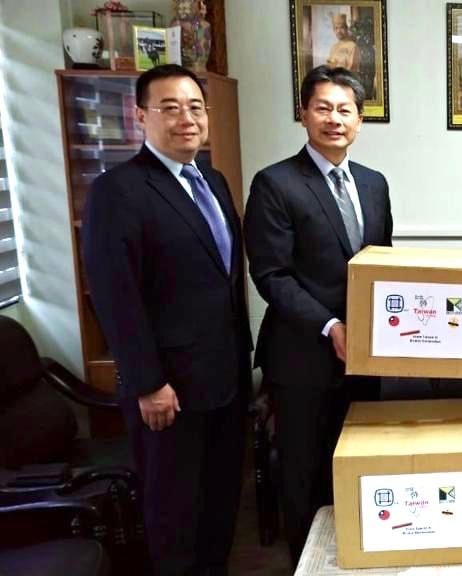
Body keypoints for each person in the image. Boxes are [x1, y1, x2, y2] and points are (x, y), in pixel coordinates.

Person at [82, 64, 251, 575]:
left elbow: (223, 281)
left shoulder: (214, 181)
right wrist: (148, 382)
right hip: (168, 390)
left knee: (221, 505)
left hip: (225, 378)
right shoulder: (117, 190)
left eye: (195, 107)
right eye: (170, 108)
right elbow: (115, 296)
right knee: (174, 513)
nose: (187, 119)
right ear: (140, 116)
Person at [245, 65, 393, 565]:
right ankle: (307, 565)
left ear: (360, 120)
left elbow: (382, 265)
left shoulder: (373, 184)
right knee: (304, 473)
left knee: (355, 465)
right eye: (323, 108)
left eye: (345, 110)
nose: (335, 119)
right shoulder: (275, 183)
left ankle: (352, 560)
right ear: (304, 114)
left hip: (364, 357)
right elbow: (272, 274)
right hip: (302, 356)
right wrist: (331, 326)